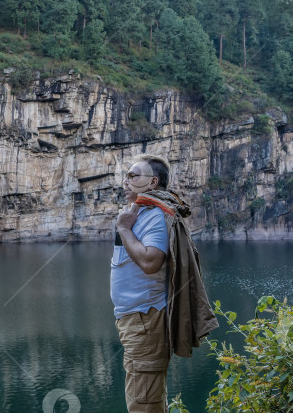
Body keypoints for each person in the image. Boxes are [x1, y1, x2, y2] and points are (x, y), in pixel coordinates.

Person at [111, 154, 218, 413]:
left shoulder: (155, 216)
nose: (126, 181)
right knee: (149, 397)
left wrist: (124, 230)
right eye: (126, 175)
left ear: (152, 182)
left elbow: (150, 262)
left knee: (143, 404)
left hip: (145, 320)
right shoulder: (142, 212)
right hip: (137, 319)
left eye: (134, 175)